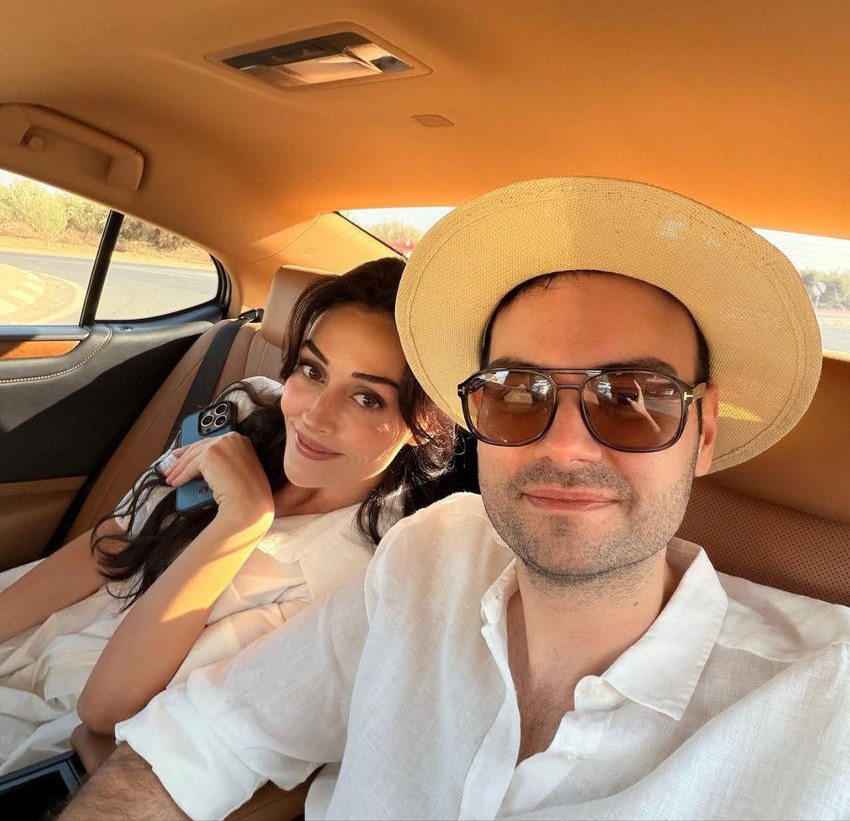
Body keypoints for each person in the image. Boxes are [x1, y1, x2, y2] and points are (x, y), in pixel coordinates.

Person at [61, 178, 849, 821]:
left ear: (703, 429)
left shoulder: (825, 707)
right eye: (516, 392)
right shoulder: (432, 552)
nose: (566, 446)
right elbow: (201, 744)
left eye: (631, 397)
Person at [0, 256, 455, 775]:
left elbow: (104, 709)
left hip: (60, 726)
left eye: (367, 398)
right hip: (38, 627)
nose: (313, 414)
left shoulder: (356, 580)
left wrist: (241, 521)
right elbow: (117, 539)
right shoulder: (247, 408)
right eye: (312, 370)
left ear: (423, 423)